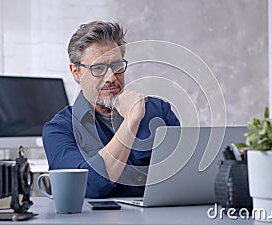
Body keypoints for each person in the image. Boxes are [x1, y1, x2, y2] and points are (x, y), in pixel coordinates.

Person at [42, 21, 180, 198]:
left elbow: (182, 175)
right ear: (76, 72)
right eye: (98, 68)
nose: (111, 78)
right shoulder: (59, 130)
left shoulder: (159, 111)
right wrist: (132, 120)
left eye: (117, 66)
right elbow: (87, 186)